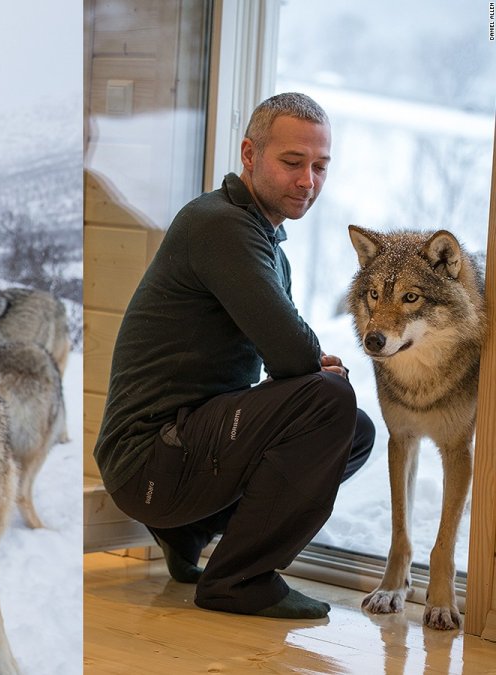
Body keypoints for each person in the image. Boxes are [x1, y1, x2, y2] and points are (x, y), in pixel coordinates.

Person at [94, 92, 374, 620]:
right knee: (330, 401)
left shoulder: (263, 239)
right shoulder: (220, 223)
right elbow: (292, 354)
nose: (307, 181)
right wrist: (313, 368)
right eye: (292, 162)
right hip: (148, 459)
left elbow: (283, 360)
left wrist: (310, 368)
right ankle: (238, 581)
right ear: (249, 155)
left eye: (320, 166)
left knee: (351, 429)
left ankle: (188, 532)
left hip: (176, 455)